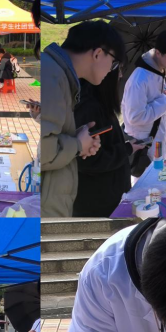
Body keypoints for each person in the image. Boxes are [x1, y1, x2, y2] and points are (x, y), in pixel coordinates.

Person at [41, 20, 124, 216]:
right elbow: (44, 150)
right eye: (113, 63)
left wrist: (78, 138)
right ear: (98, 54)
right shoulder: (54, 76)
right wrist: (78, 144)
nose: (112, 71)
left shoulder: (59, 75)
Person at [74, 68, 144, 216]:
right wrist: (125, 150)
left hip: (108, 198)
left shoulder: (99, 103)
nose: (121, 75)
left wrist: (127, 148)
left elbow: (106, 148)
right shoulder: (89, 108)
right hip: (99, 205)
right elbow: (91, 161)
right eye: (118, 68)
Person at [122, 30, 166, 175]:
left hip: (159, 142)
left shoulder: (160, 71)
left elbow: (155, 97)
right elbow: (136, 117)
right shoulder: (139, 79)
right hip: (145, 147)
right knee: (149, 186)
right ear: (158, 53)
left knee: (162, 182)